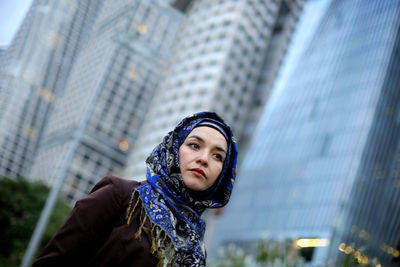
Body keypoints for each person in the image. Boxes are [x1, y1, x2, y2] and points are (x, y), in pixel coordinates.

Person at [33, 111, 238, 267]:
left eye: (217, 156)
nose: (203, 159)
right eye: (194, 145)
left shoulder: (196, 247)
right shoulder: (121, 195)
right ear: (174, 149)